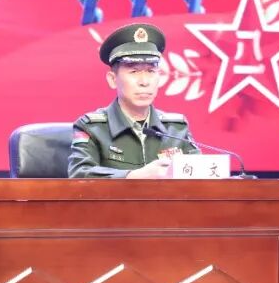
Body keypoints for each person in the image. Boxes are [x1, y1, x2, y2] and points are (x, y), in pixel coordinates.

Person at [68, 23, 199, 178]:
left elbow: (201, 177)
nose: (144, 81)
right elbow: (79, 174)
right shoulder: (93, 128)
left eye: (151, 71)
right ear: (113, 79)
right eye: (134, 71)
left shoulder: (176, 129)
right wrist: (135, 176)